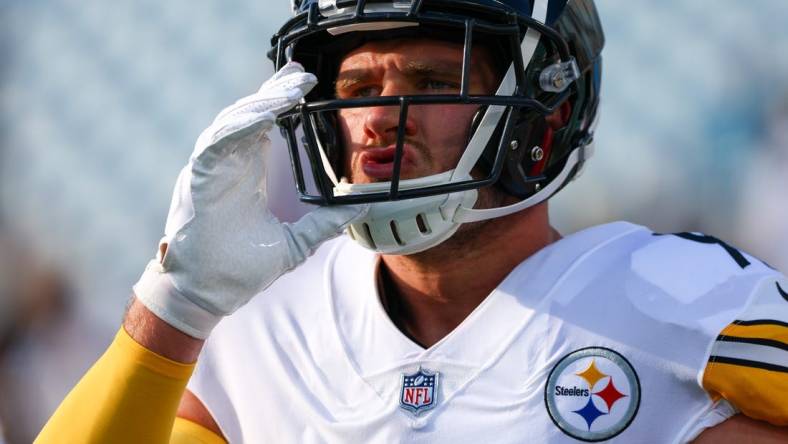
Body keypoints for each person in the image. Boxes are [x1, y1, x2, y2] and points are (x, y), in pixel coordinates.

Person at [37, 0, 787, 442]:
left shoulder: (685, 300)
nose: (378, 120)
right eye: (358, 84)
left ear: (548, 115)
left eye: (431, 81)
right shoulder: (259, 338)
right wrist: (173, 309)